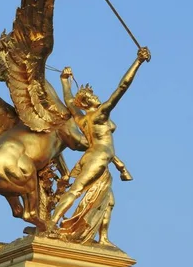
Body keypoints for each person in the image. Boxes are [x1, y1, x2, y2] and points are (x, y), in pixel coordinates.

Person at [50, 47, 151, 245]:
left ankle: (103, 238)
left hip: (97, 157)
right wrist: (137, 62)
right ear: (89, 101)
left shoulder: (82, 118)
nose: (97, 96)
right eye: (93, 95)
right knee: (77, 189)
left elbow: (70, 101)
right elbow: (122, 88)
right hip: (99, 157)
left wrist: (64, 81)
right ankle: (51, 223)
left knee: (109, 200)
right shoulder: (100, 114)